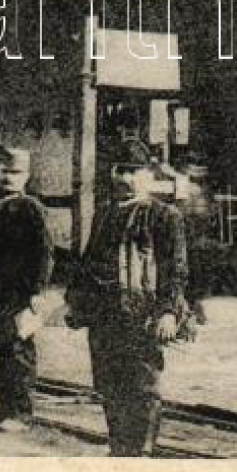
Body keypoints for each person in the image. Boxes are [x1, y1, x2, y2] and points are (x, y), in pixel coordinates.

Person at [66, 166, 189, 456]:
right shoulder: (104, 214)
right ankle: (119, 446)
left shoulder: (164, 216)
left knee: (143, 383)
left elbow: (176, 269)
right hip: (104, 314)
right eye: (120, 171)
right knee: (109, 382)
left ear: (148, 175)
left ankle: (141, 451)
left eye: (134, 171)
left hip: (141, 313)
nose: (125, 178)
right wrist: (76, 301)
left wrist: (168, 311)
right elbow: (88, 262)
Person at [0, 145, 53, 433]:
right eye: (4, 171)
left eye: (15, 172)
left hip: (21, 293)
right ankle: (5, 408)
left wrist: (37, 293)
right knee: (2, 349)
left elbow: (44, 254)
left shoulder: (32, 209)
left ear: (27, 176)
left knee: (19, 352)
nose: (8, 177)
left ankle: (21, 413)